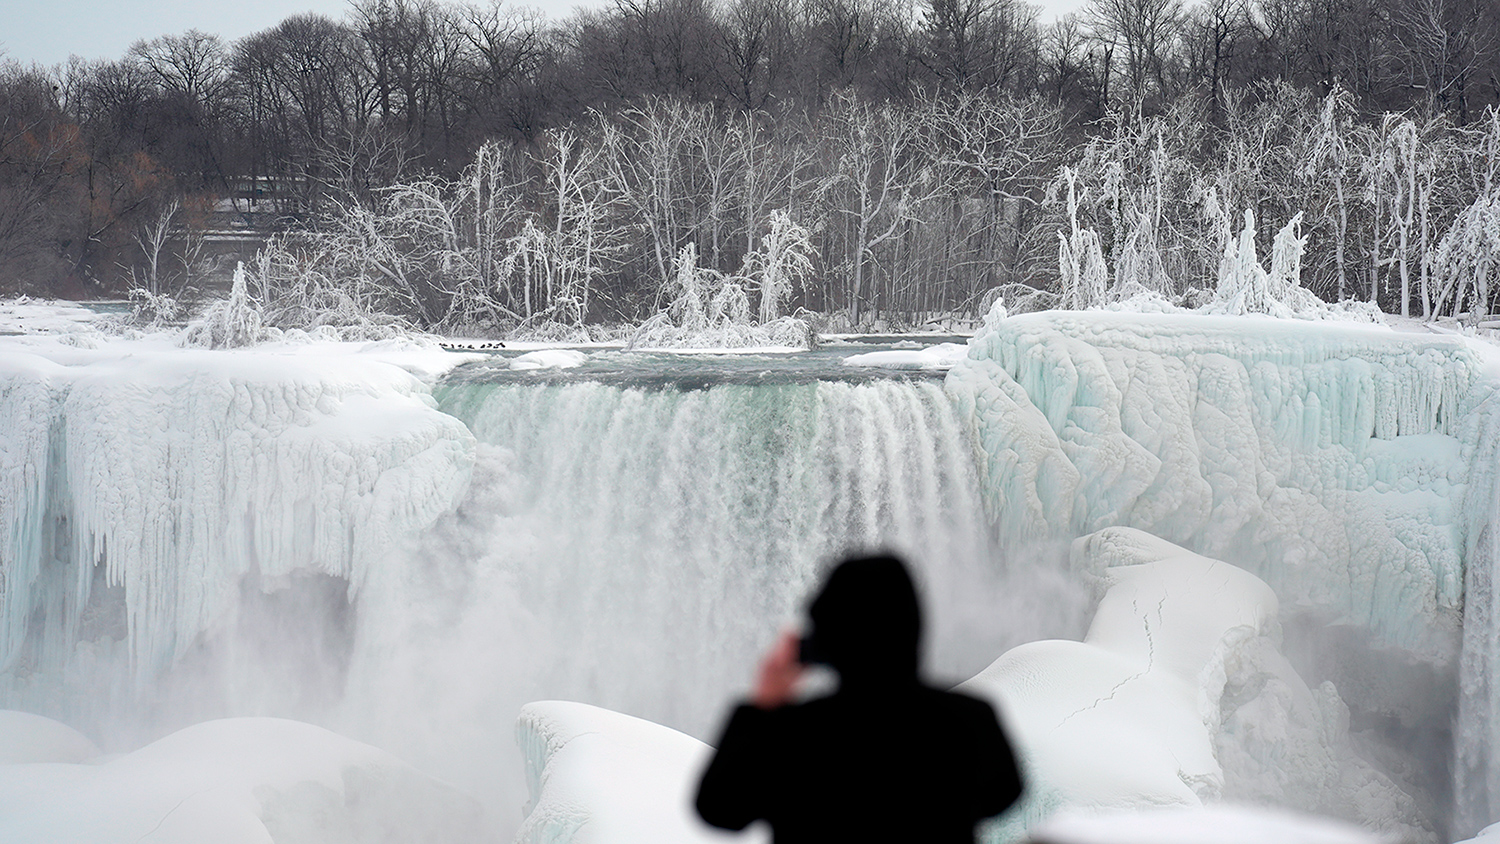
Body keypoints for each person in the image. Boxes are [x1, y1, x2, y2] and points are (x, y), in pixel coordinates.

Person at [696, 553, 1023, 843]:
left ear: (825, 639)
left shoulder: (793, 733)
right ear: (914, 627)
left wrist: (765, 701)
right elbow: (1005, 794)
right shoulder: (969, 721)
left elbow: (718, 808)